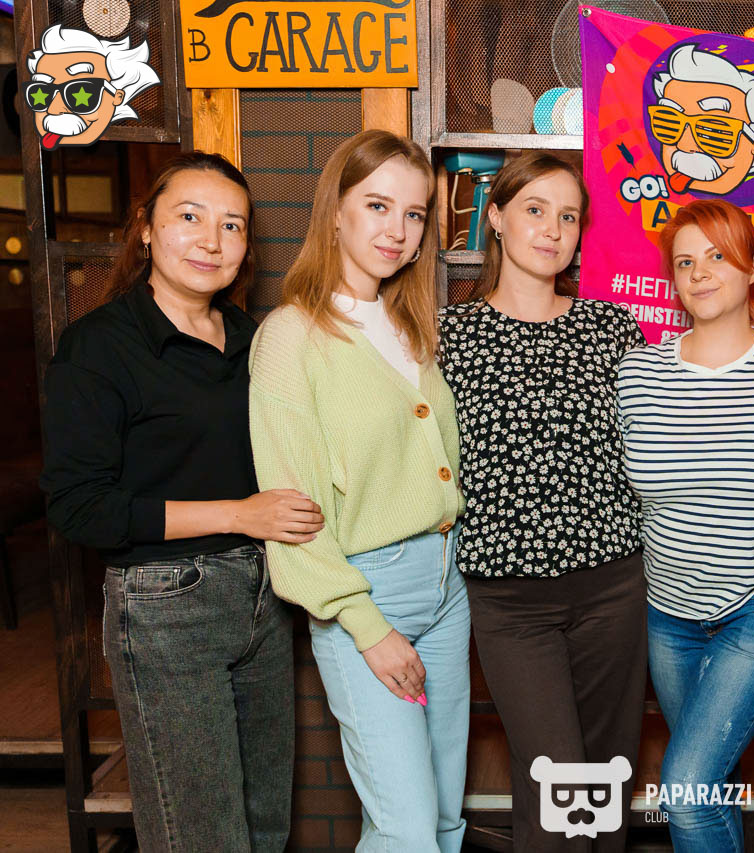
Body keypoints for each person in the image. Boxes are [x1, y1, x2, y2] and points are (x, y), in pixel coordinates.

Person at [40, 152, 315, 851]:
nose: (211, 240)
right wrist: (239, 513)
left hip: (265, 595)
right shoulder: (99, 346)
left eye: (232, 225)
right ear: (145, 229)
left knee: (265, 825)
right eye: (189, 217)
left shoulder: (254, 341)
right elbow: (80, 507)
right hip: (164, 605)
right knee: (200, 835)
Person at [248, 130, 469, 851]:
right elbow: (294, 509)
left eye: (414, 213)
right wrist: (365, 625)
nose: (397, 229)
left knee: (443, 817)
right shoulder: (291, 335)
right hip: (366, 591)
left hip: (447, 584)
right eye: (377, 205)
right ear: (336, 212)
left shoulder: (410, 326)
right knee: (407, 830)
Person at [438, 151, 646, 852]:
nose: (553, 229)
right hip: (509, 601)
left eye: (568, 216)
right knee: (554, 783)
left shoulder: (613, 329)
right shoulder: (450, 336)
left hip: (613, 587)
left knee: (606, 784)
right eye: (534, 209)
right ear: (495, 217)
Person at [616, 200, 754, 850]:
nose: (700, 272)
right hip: (668, 612)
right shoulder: (638, 374)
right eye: (685, 262)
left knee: (685, 787)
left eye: (717, 255)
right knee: (709, 789)